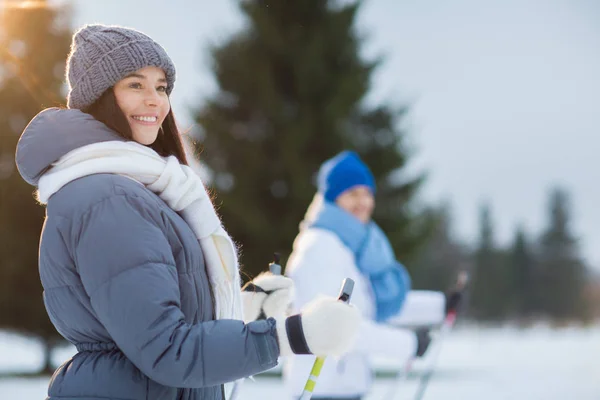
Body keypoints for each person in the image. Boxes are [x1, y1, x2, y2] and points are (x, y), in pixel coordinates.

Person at [15, 24, 361, 400]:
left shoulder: (134, 188)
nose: (155, 100)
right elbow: (165, 348)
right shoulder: (107, 199)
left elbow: (148, 320)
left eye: (161, 86)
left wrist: (247, 310)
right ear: (100, 96)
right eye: (135, 85)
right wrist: (291, 335)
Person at [283, 151, 451, 400]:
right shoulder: (320, 247)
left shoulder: (352, 246)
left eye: (367, 193)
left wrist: (441, 306)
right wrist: (409, 345)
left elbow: (368, 307)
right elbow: (338, 325)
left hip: (343, 389)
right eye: (352, 194)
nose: (363, 202)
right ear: (332, 198)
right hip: (321, 390)